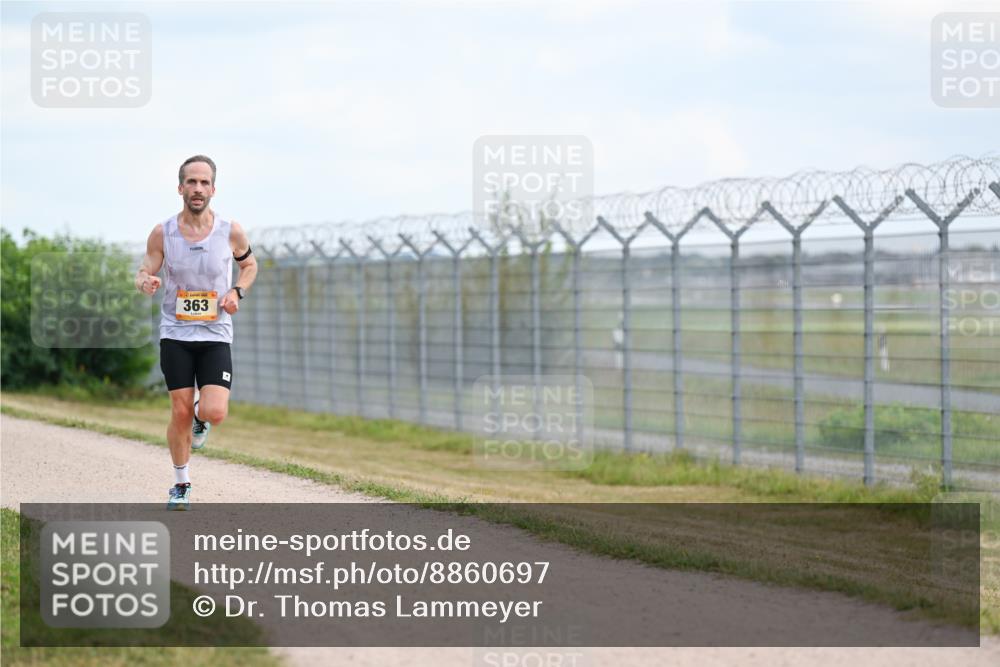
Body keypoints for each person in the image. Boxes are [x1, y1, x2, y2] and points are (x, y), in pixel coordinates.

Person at [134, 155, 258, 510]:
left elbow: (249, 264)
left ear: (213, 189)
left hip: (216, 331)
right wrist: (147, 281)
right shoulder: (163, 232)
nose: (198, 188)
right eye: (192, 182)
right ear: (180, 188)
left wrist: (237, 292)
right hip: (176, 333)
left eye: (204, 182)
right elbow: (144, 269)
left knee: (215, 411)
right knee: (180, 410)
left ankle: (203, 421)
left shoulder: (229, 230)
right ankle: (181, 482)